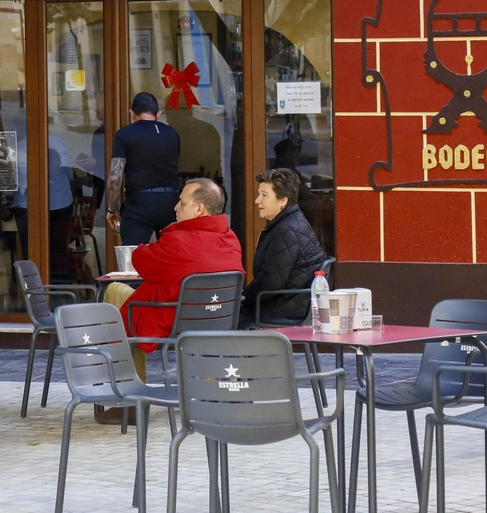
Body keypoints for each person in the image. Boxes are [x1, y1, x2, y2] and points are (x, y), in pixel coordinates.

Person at [102, 178, 243, 377]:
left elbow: (141, 261)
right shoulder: (231, 239)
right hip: (218, 318)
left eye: (182, 203)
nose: (176, 207)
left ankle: (129, 391)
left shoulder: (179, 241)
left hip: (174, 319)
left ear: (199, 209)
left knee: (114, 291)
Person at [239, 168, 328, 326]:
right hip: (291, 303)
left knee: (227, 317)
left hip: (283, 308)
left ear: (283, 201)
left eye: (264, 195)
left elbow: (271, 282)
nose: (257, 200)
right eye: (259, 194)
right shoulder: (291, 221)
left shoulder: (286, 230)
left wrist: (243, 298)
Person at [105, 92, 182, 246]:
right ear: (158, 114)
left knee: (133, 260)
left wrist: (112, 208)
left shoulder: (124, 134)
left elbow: (115, 176)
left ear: (132, 113)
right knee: (172, 259)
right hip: (170, 202)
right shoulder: (172, 133)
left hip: (139, 204)